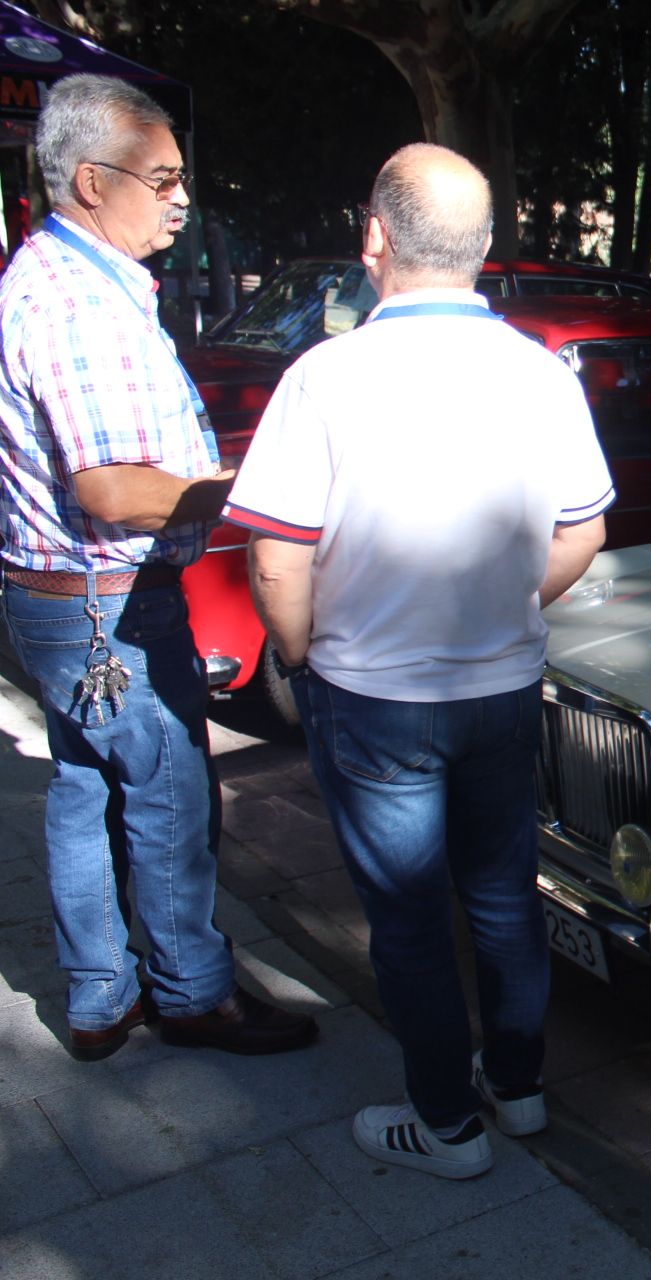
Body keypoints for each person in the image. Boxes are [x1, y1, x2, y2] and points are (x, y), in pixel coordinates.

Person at [224, 143, 611, 1181]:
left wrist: (302, 660)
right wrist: (499, 606)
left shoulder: (325, 376)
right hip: (498, 688)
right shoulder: (540, 372)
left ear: (374, 239)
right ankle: (519, 1089)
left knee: (405, 915)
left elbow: (275, 558)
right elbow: (584, 531)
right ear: (483, 248)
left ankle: (445, 1122)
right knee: (503, 895)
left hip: (371, 694)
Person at [0, 74, 316, 1062]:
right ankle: (192, 991)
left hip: (66, 598)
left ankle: (99, 996)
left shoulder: (62, 277)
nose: (183, 199)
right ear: (93, 181)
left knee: (85, 786)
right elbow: (108, 488)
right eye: (164, 179)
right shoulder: (74, 302)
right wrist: (253, 487)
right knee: (171, 794)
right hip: (106, 602)